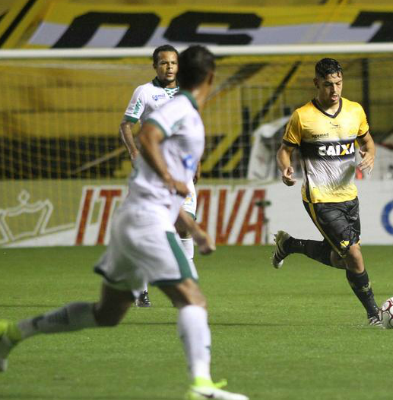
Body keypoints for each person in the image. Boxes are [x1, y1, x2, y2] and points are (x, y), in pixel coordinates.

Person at [0, 46, 248, 400]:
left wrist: (192, 227)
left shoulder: (186, 111)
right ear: (210, 78)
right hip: (147, 220)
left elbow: (159, 180)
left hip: (135, 217)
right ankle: (201, 385)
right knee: (193, 300)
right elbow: (146, 135)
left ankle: (12, 333)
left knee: (107, 313)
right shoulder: (180, 109)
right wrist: (170, 178)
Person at [272, 58, 381, 325]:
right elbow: (284, 151)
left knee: (341, 259)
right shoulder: (303, 116)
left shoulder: (355, 111)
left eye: (339, 83)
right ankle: (374, 314)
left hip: (349, 197)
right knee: (354, 256)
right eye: (329, 85)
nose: (335, 90)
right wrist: (285, 170)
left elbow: (367, 141)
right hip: (319, 198)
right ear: (317, 84)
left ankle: (290, 245)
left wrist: (370, 155)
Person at [120, 44, 200, 307]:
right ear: (155, 66)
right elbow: (126, 125)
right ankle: (141, 289)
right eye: (164, 63)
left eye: (173, 63)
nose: (169, 67)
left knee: (184, 225)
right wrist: (133, 152)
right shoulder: (144, 92)